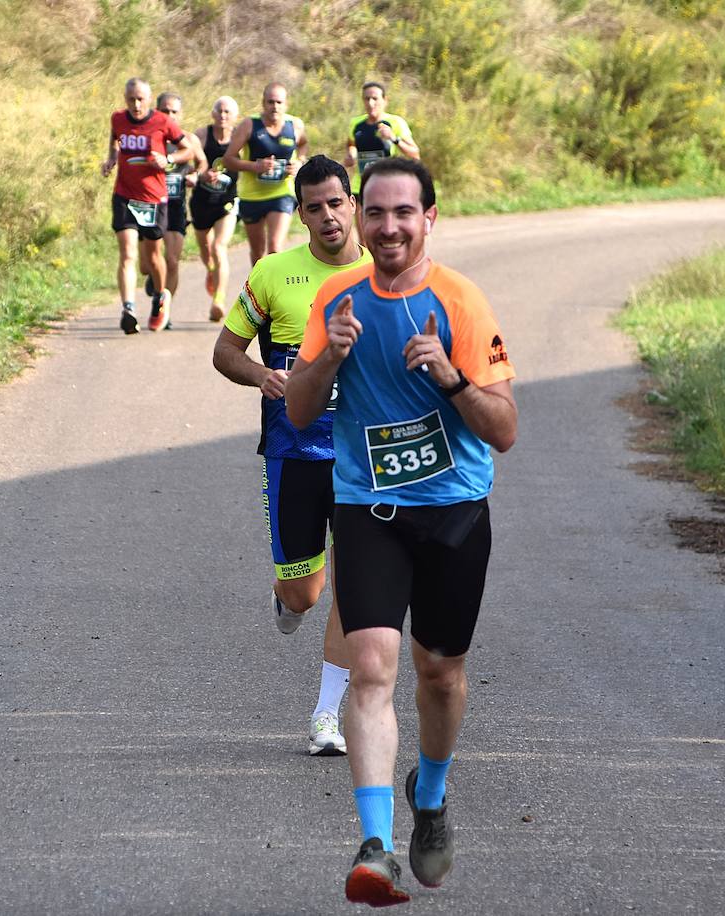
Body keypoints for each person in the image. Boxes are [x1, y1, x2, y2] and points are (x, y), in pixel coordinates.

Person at [285, 158, 517, 906]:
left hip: (453, 514)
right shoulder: (337, 297)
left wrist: (451, 378)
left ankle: (434, 794)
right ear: (361, 216)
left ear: (429, 218)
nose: (387, 227)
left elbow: (505, 429)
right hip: (368, 512)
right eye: (375, 213)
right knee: (374, 670)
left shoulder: (460, 301)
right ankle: (376, 847)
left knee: (439, 675)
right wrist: (332, 359)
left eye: (403, 213)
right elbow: (297, 409)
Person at [211, 155, 371, 756]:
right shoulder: (274, 274)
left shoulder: (385, 273)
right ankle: (288, 594)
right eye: (314, 207)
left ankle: (326, 715)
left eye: (336, 202)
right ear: (298, 214)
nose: (328, 216)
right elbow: (225, 350)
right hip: (294, 449)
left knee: (355, 584)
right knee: (305, 592)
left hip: (364, 459)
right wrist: (260, 376)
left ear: (352, 203)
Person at [101, 77, 196, 334]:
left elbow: (187, 150)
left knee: (153, 258)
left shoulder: (162, 122)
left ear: (149, 100)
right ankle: (128, 310)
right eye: (131, 99)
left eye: (140, 99)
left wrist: (168, 159)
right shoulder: (118, 119)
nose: (136, 104)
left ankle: (160, 296)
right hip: (124, 195)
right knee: (128, 253)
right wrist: (111, 159)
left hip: (153, 198)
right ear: (125, 99)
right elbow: (114, 138)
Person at [223, 82, 308, 267]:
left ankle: (277, 291)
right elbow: (228, 159)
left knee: (275, 248)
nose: (275, 106)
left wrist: (299, 163)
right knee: (258, 253)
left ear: (286, 104)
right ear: (263, 103)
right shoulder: (249, 125)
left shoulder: (295, 125)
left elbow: (303, 144)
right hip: (251, 196)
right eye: (270, 102)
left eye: (279, 102)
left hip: (281, 193)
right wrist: (255, 167)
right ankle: (260, 291)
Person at [148, 91, 206, 329]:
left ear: (180, 114)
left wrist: (195, 175)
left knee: (172, 260)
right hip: (150, 205)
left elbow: (202, 162)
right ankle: (154, 277)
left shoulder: (189, 139)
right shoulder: (150, 137)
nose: (169, 115)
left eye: (174, 111)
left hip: (176, 207)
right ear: (157, 110)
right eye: (164, 110)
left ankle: (164, 310)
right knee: (147, 264)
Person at [189, 96, 241, 322]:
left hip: (226, 203)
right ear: (212, 114)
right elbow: (189, 161)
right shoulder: (202, 135)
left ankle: (218, 301)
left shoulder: (241, 137)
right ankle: (211, 270)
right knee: (206, 251)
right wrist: (202, 174)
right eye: (219, 111)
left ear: (234, 116)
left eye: (227, 112)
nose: (223, 115)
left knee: (220, 247)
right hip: (201, 202)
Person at [343, 82, 419, 194]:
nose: (370, 103)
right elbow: (351, 144)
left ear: (385, 100)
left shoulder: (396, 122)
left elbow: (415, 154)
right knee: (360, 212)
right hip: (361, 185)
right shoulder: (356, 123)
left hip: (388, 184)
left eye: (375, 98)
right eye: (367, 99)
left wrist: (394, 138)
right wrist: (351, 155)